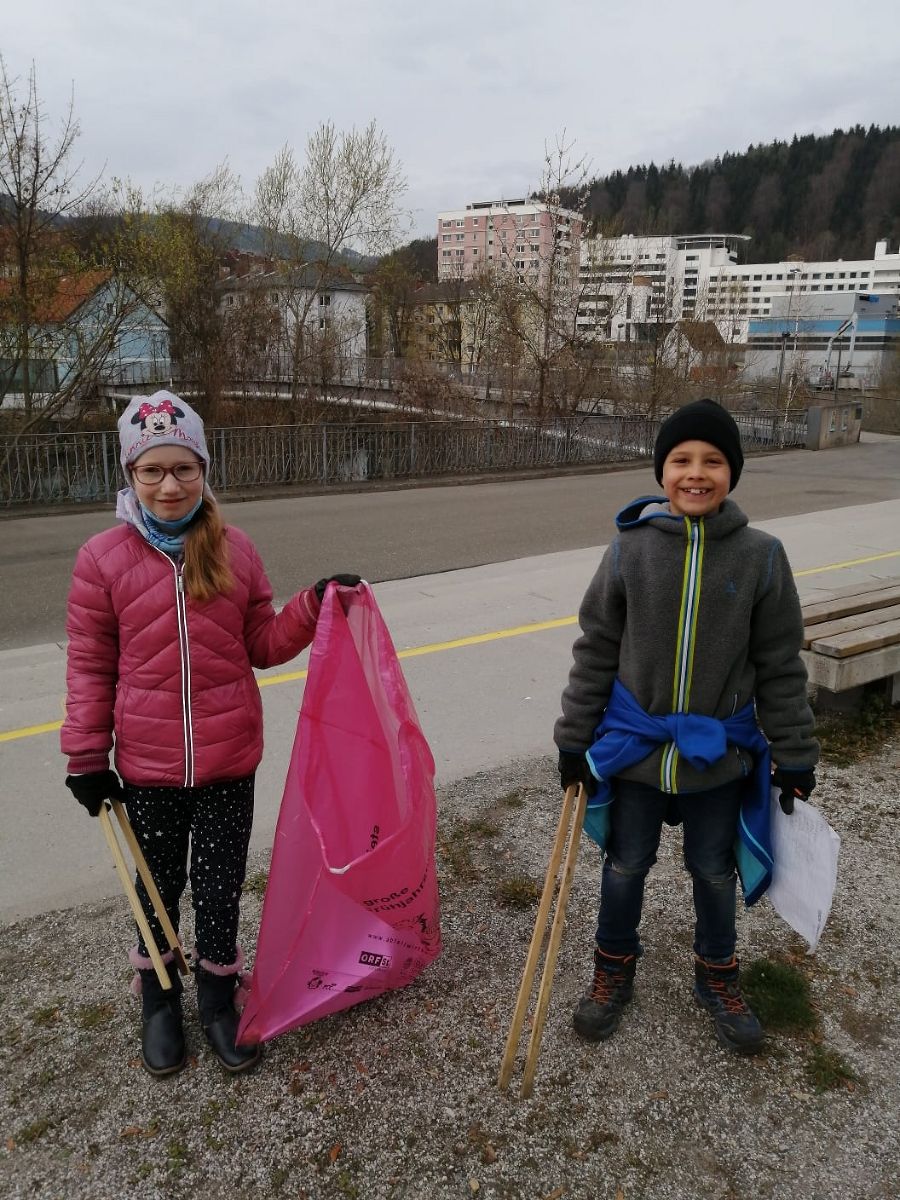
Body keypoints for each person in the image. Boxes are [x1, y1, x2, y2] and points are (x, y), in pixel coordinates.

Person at [61, 391, 360, 1077]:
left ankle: (219, 1000)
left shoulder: (237, 549)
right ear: (130, 475)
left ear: (204, 468)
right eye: (152, 471)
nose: (170, 486)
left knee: (221, 886)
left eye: (184, 469)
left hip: (229, 761)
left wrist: (313, 606)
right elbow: (88, 666)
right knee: (157, 888)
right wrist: (85, 757)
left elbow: (260, 640)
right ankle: (160, 1001)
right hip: (147, 767)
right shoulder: (102, 559)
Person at [554, 399, 819, 1055]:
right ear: (662, 469)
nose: (695, 473)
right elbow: (595, 650)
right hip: (638, 758)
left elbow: (780, 664)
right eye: (681, 460)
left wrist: (795, 752)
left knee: (712, 871)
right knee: (625, 865)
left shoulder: (761, 557)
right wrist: (572, 740)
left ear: (732, 472)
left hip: (717, 761)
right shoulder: (630, 552)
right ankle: (613, 970)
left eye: (713, 461)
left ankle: (717, 975)